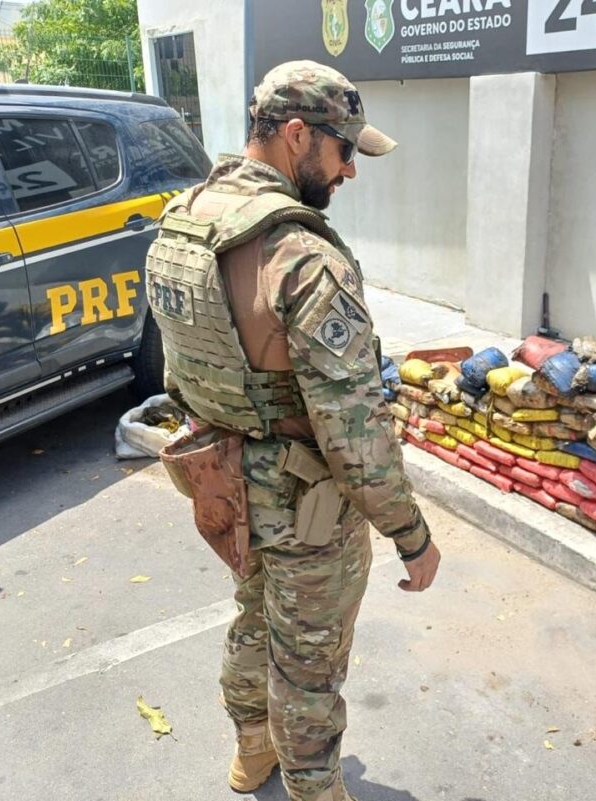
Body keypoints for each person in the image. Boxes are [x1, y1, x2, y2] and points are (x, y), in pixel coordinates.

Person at [145, 60, 441, 801]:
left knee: (252, 615)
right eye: (343, 150)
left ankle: (251, 749)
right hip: (304, 502)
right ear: (297, 134)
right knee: (309, 660)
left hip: (223, 477)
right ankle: (315, 789)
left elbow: (183, 368)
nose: (349, 171)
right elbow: (354, 432)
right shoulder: (300, 255)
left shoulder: (185, 217)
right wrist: (413, 534)